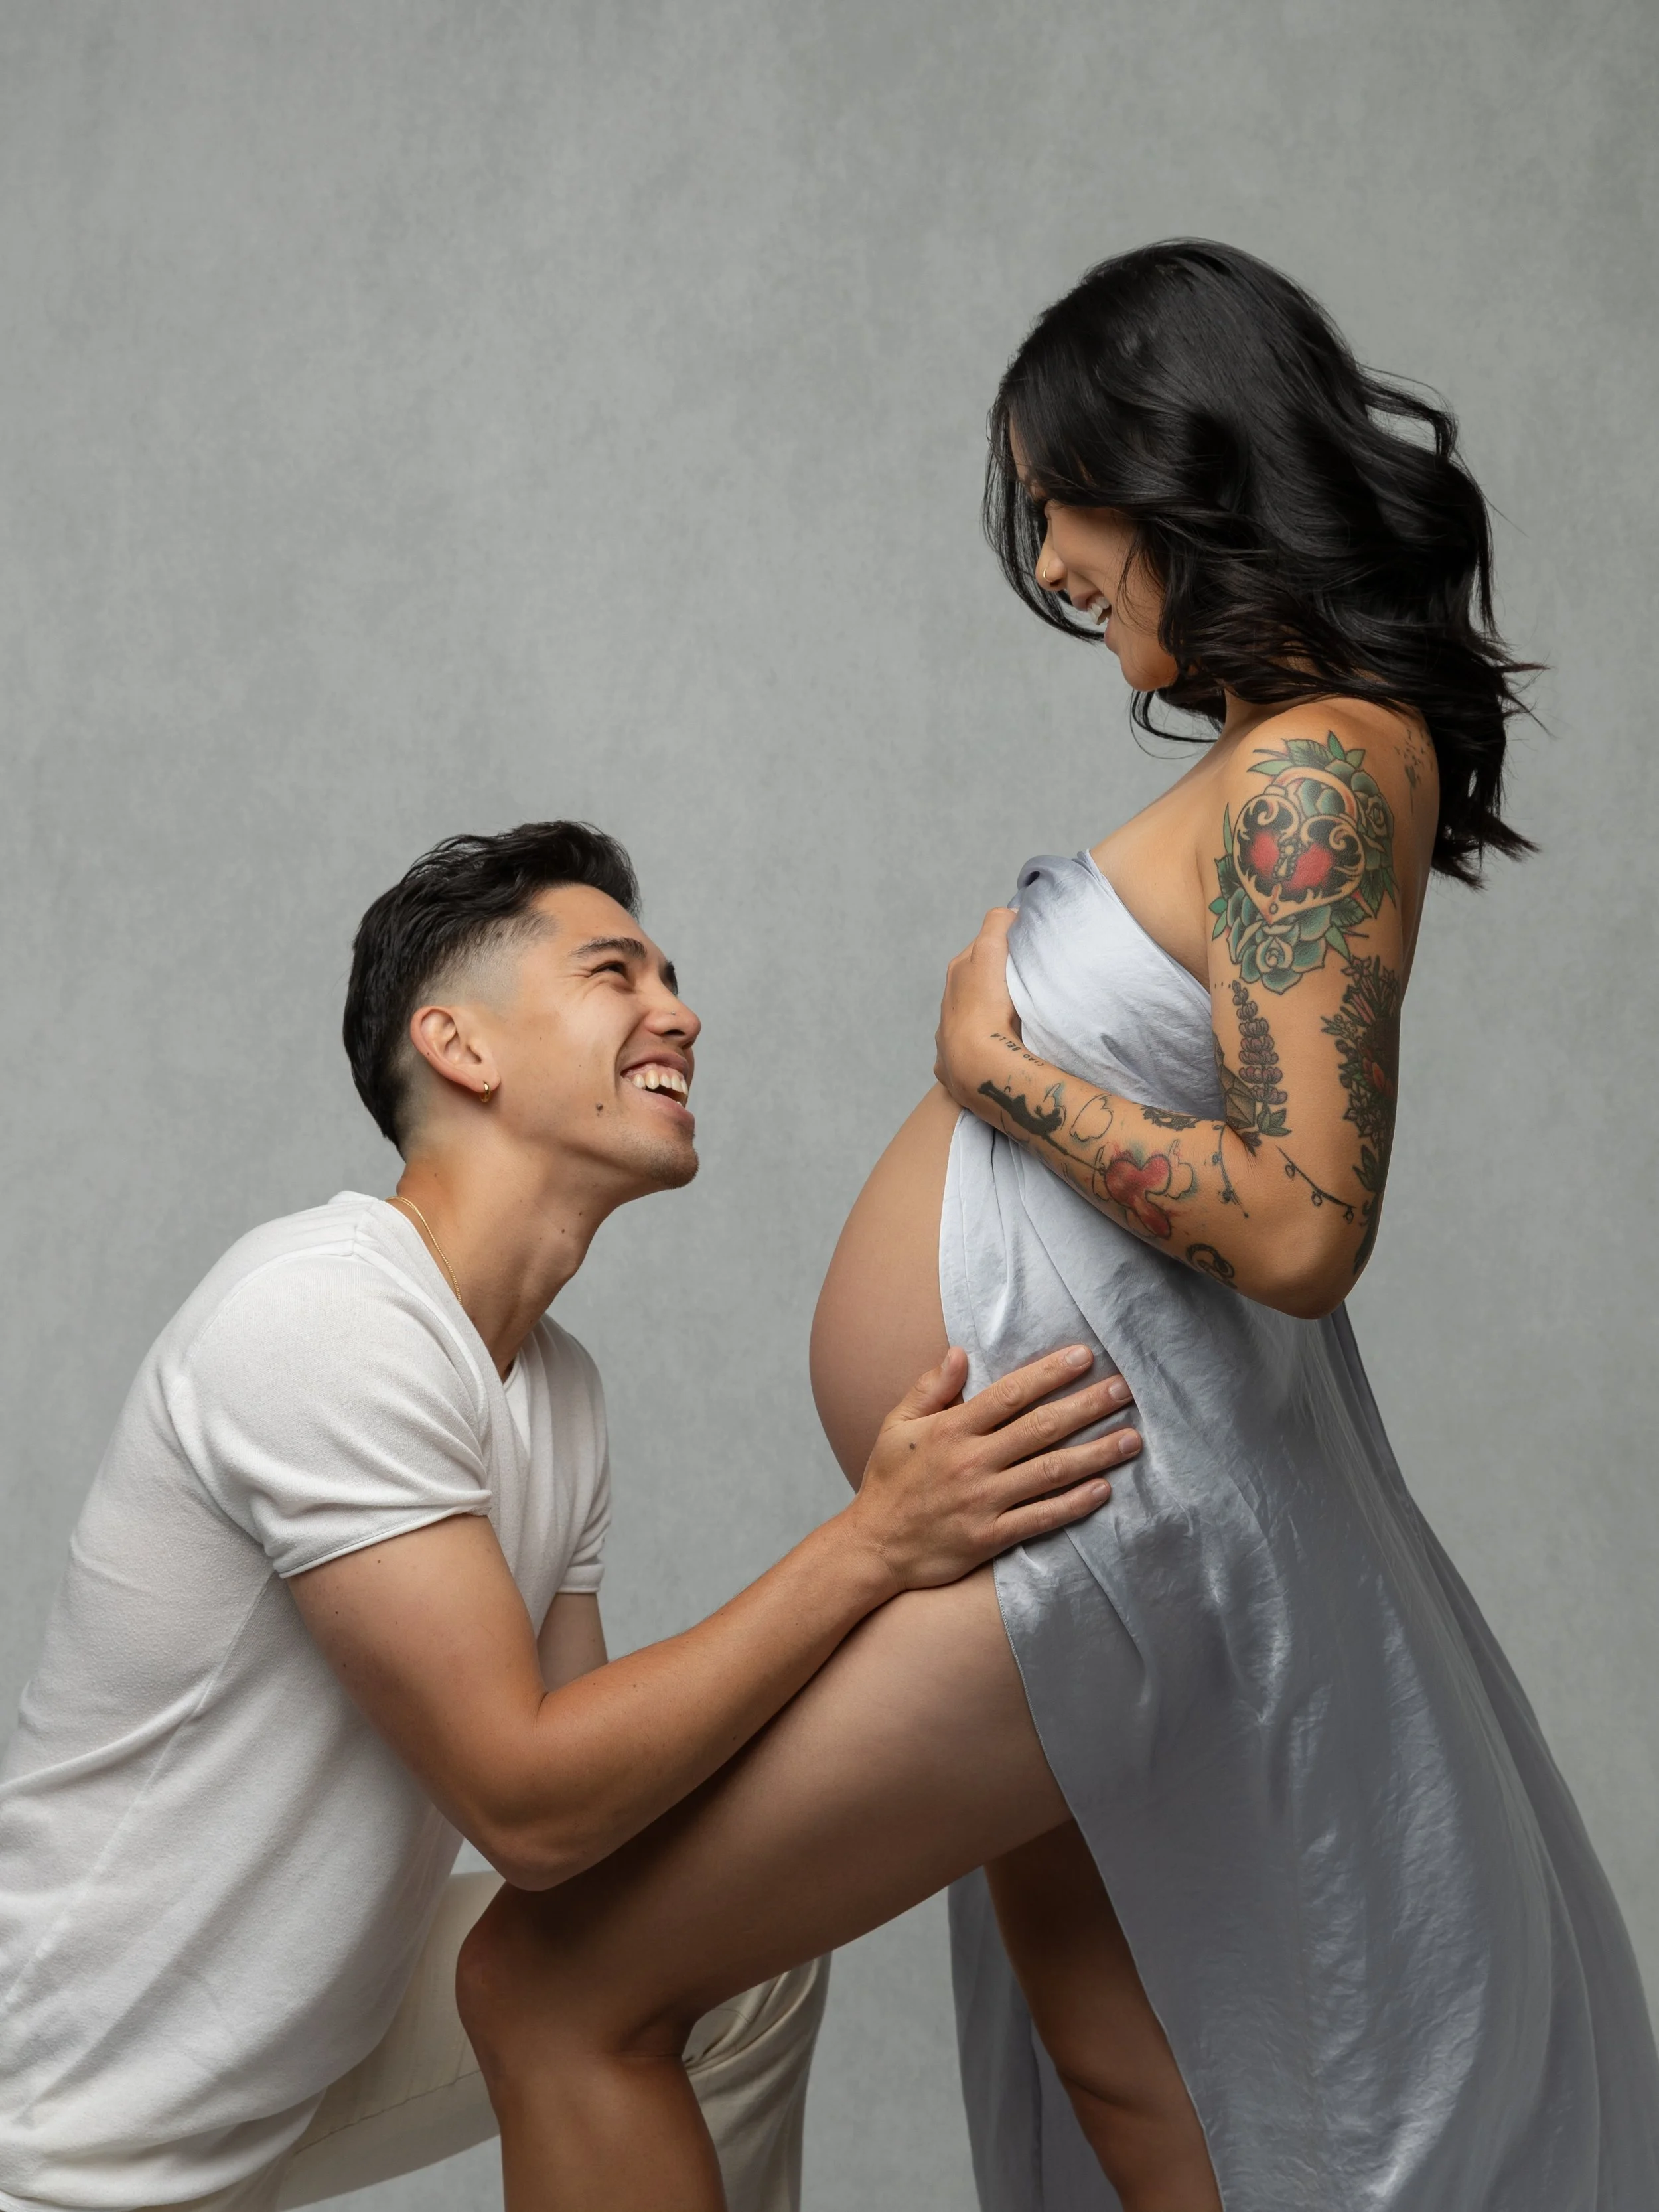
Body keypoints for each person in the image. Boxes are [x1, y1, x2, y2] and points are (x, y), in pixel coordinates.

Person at [447, 245, 1659, 2211]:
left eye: (1059, 505)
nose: (1054, 560)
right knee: (1130, 2075)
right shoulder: (1283, 757)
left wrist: (990, 1073)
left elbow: (1301, 1225)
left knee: (556, 1986)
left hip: (1104, 1523)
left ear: (1169, 461)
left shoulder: (1315, 773)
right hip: (1041, 1512)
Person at [0, 822, 1142, 2212]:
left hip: (294, 2062)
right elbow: (532, 1804)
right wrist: (874, 1546)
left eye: (672, 977)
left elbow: (599, 1824)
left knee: (725, 1952)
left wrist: (918, 1731)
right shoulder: (321, 1314)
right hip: (70, 2129)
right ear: (459, 1046)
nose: (680, 1013)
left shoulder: (555, 1387)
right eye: (615, 973)